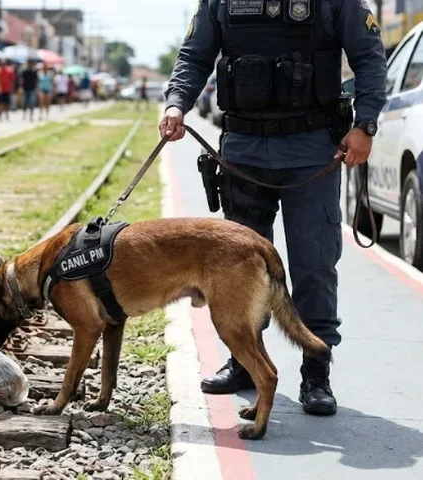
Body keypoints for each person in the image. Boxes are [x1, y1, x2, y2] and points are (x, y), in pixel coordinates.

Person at [161, 0, 388, 415]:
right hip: (243, 151)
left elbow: (370, 58)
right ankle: (245, 363)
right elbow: (195, 55)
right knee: (238, 272)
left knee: (314, 267)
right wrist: (177, 103)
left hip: (313, 150)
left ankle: (316, 371)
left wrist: (365, 124)